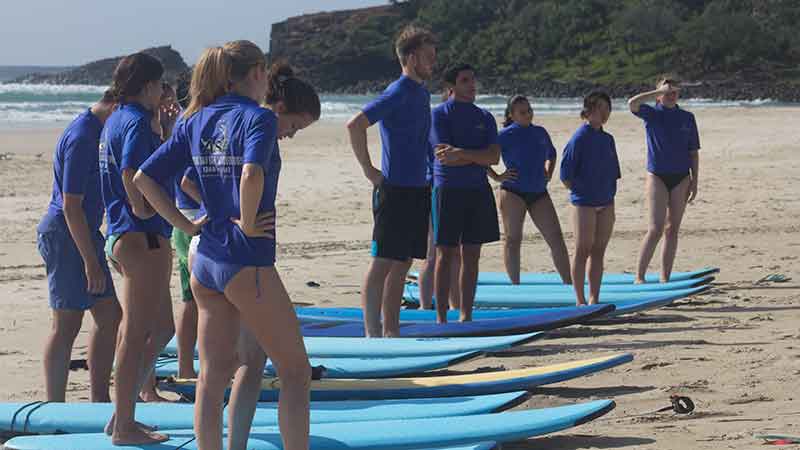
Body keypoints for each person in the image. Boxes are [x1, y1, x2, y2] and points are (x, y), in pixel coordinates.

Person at [134, 41, 320, 450]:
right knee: (295, 372)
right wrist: (250, 223)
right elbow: (251, 173)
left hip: (205, 260)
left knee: (212, 376)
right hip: (245, 261)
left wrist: (185, 223)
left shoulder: (196, 118)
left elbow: (144, 179)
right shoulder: (258, 119)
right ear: (257, 73)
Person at [98, 52, 176, 445]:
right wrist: (141, 205)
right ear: (148, 86)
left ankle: (122, 413)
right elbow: (132, 172)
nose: (165, 92)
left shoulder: (117, 119)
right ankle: (125, 425)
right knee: (135, 332)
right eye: (161, 85)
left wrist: (164, 130)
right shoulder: (134, 122)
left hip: (127, 235)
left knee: (163, 327)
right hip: (139, 235)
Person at [346, 25, 437, 337]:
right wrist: (369, 170)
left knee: (403, 262)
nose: (433, 63)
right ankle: (372, 333)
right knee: (383, 261)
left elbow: (422, 138)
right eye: (428, 57)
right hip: (394, 190)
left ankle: (392, 331)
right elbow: (355, 124)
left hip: (418, 188)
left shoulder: (422, 93)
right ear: (411, 58)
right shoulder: (397, 91)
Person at [36, 92, 121, 403]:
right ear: (116, 105)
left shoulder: (101, 131)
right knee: (66, 324)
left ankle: (99, 400)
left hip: (87, 233)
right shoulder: (83, 136)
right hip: (65, 234)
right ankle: (54, 408)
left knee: (110, 316)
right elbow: (71, 206)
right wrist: (90, 261)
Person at [429, 64, 500, 323]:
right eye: (465, 80)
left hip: (478, 190)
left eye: (473, 80)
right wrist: (476, 157)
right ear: (451, 87)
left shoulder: (485, 117)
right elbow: (445, 157)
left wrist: (465, 154)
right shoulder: (439, 115)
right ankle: (440, 318)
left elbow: (494, 156)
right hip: (448, 189)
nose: (472, 85)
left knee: (472, 255)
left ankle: (465, 315)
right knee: (445, 254)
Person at [488, 95, 571, 284]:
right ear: (512, 115)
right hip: (512, 192)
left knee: (556, 238)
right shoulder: (504, 135)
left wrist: (549, 172)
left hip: (539, 192)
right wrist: (497, 176)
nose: (528, 115)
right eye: (522, 112)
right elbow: (484, 157)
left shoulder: (540, 132)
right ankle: (515, 286)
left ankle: (569, 283)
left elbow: (552, 153)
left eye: (529, 110)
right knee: (513, 239)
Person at [628, 76, 701, 283]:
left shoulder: (687, 117)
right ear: (659, 96)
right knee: (655, 228)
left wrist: (695, 181)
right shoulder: (651, 113)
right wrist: (657, 92)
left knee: (672, 229)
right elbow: (632, 104)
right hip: (657, 176)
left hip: (681, 178)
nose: (671, 95)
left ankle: (664, 277)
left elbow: (693, 152)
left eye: (674, 91)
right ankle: (639, 276)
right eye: (666, 92)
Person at [560, 91, 621, 306]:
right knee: (582, 249)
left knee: (598, 251)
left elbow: (613, 172)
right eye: (600, 108)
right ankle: (580, 299)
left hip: (606, 201)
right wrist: (582, 193)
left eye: (608, 109)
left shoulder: (608, 139)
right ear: (588, 111)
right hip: (583, 203)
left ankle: (595, 297)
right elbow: (565, 176)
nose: (604, 113)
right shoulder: (579, 139)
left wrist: (608, 196)